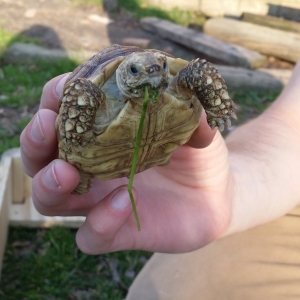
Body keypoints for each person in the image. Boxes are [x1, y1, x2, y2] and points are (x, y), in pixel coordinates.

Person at [20, 61, 300, 299]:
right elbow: (292, 123)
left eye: (160, 69)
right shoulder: (93, 90)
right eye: (135, 72)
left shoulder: (176, 79)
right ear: (123, 73)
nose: (151, 76)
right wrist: (232, 190)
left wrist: (219, 105)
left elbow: (200, 72)